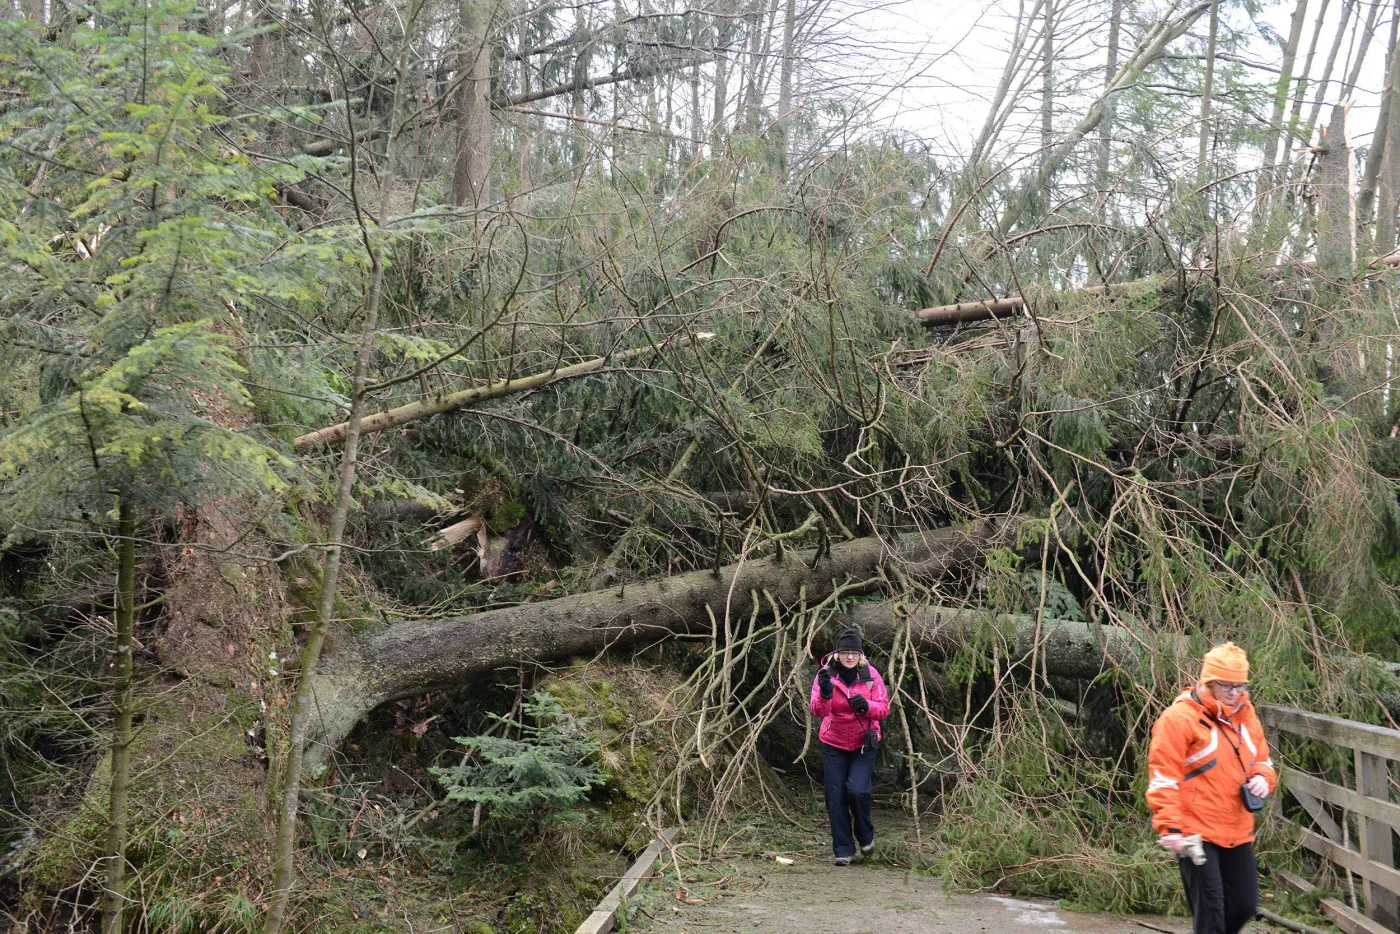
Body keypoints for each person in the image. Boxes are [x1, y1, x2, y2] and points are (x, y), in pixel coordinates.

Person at [1146, 642, 1277, 934]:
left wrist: (1262, 777)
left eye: (1241, 686)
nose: (1235, 693)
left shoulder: (1245, 714)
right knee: (1212, 914)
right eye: (1227, 685)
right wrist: (1170, 827)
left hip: (1236, 828)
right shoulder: (1179, 719)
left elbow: (1263, 759)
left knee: (1244, 906)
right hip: (1196, 833)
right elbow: (1163, 777)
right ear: (1208, 682)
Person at [809, 627, 890, 866]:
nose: (850, 657)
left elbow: (884, 708)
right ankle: (843, 849)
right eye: (845, 652)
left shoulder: (871, 674)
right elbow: (817, 711)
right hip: (833, 742)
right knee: (835, 796)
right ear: (837, 653)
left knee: (857, 790)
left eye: (854, 652)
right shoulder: (825, 675)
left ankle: (865, 835)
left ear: (860, 654)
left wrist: (866, 705)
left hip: (863, 742)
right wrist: (825, 694)